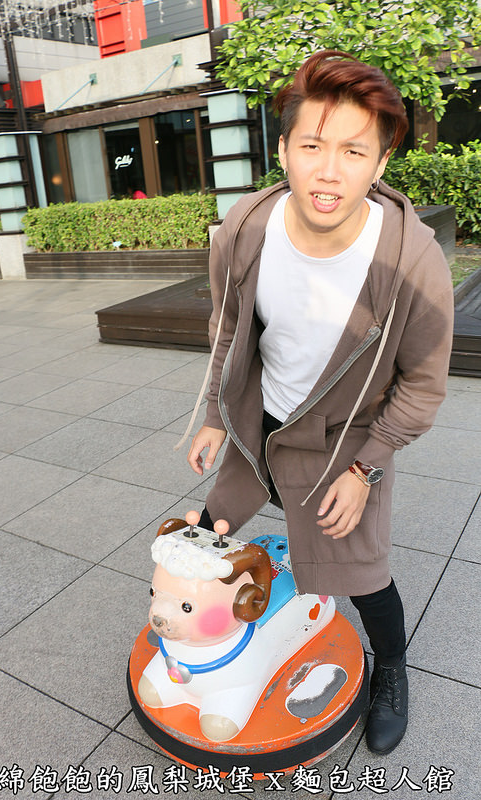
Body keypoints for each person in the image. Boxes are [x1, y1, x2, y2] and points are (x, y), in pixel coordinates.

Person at [183, 50, 454, 756]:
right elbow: (227, 328)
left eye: (353, 151)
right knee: (206, 532)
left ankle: (391, 667)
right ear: (283, 151)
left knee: (361, 574)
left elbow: (423, 385)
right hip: (261, 422)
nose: (329, 171)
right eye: (312, 146)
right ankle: (202, 639)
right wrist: (215, 414)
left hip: (345, 440)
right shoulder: (245, 229)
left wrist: (366, 469)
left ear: (381, 161)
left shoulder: (411, 262)